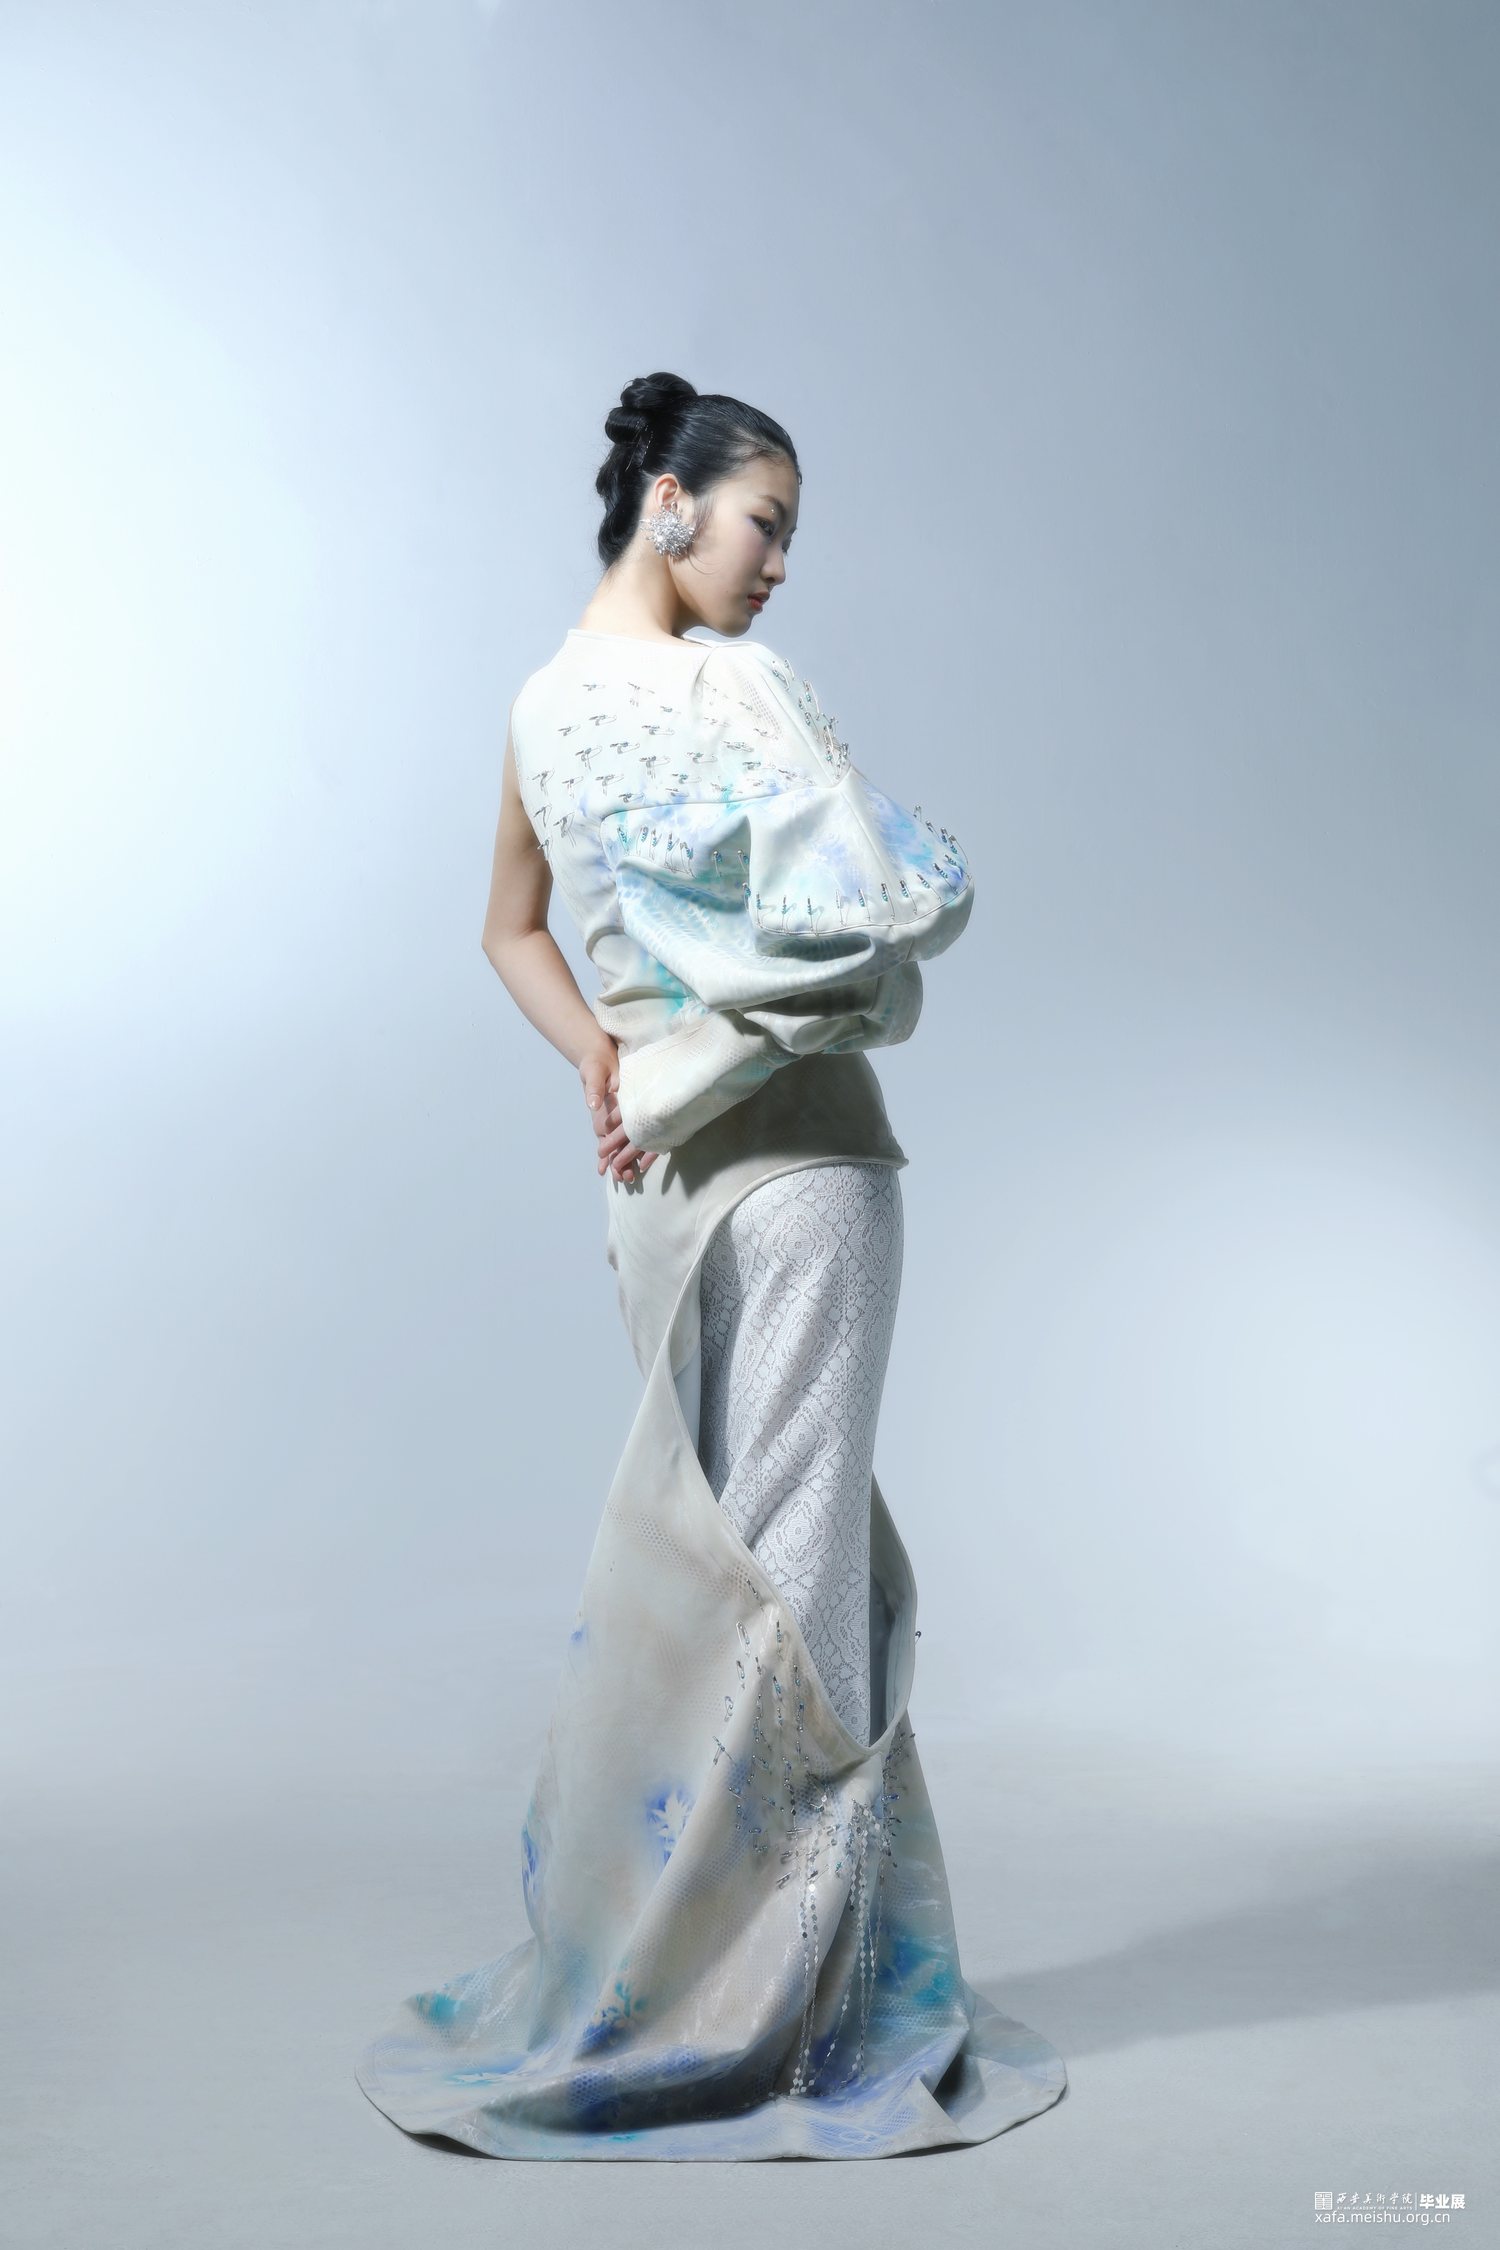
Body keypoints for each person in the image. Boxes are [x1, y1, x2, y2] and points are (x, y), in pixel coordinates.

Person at [353, 373, 1068, 2159]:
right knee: (792, 1576)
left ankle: (730, 1976)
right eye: (767, 523)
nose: (779, 566)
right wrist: (633, 1062)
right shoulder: (735, 686)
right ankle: (778, 2010)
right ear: (668, 501)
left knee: (742, 1565)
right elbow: (867, 913)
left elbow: (514, 930)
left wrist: (613, 1064)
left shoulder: (540, 703)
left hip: (674, 1192)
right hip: (795, 1163)